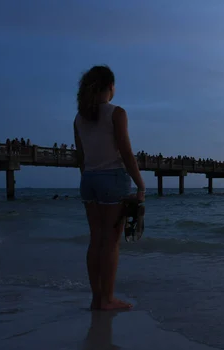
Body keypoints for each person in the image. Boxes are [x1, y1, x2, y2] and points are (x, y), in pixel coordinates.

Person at [73, 65, 145, 311]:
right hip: (112, 178)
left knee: (96, 240)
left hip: (89, 180)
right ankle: (108, 299)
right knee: (111, 242)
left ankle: (97, 298)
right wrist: (140, 183)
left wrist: (89, 176)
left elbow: (80, 156)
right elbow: (125, 152)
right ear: (110, 87)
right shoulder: (117, 113)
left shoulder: (79, 118)